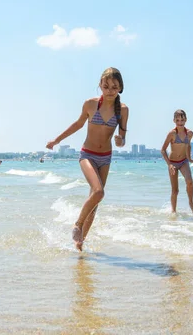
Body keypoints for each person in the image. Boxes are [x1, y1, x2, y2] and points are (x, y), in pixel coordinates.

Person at [46, 67, 129, 251]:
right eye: (106, 86)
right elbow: (77, 124)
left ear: (120, 88)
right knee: (98, 192)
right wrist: (56, 140)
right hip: (87, 155)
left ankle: (80, 243)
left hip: (105, 158)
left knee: (95, 201)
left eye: (114, 87)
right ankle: (77, 225)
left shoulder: (123, 110)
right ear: (100, 85)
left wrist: (120, 140)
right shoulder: (91, 104)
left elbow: (122, 138)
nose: (109, 90)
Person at [161, 109, 193, 215]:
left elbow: (188, 145)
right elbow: (163, 150)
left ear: (186, 120)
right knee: (175, 190)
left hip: (183, 161)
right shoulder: (172, 134)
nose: (180, 123)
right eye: (177, 120)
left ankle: (191, 203)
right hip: (173, 163)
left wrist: (189, 157)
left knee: (189, 181)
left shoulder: (189, 133)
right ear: (174, 121)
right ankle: (173, 211)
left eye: (182, 120)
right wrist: (169, 165)